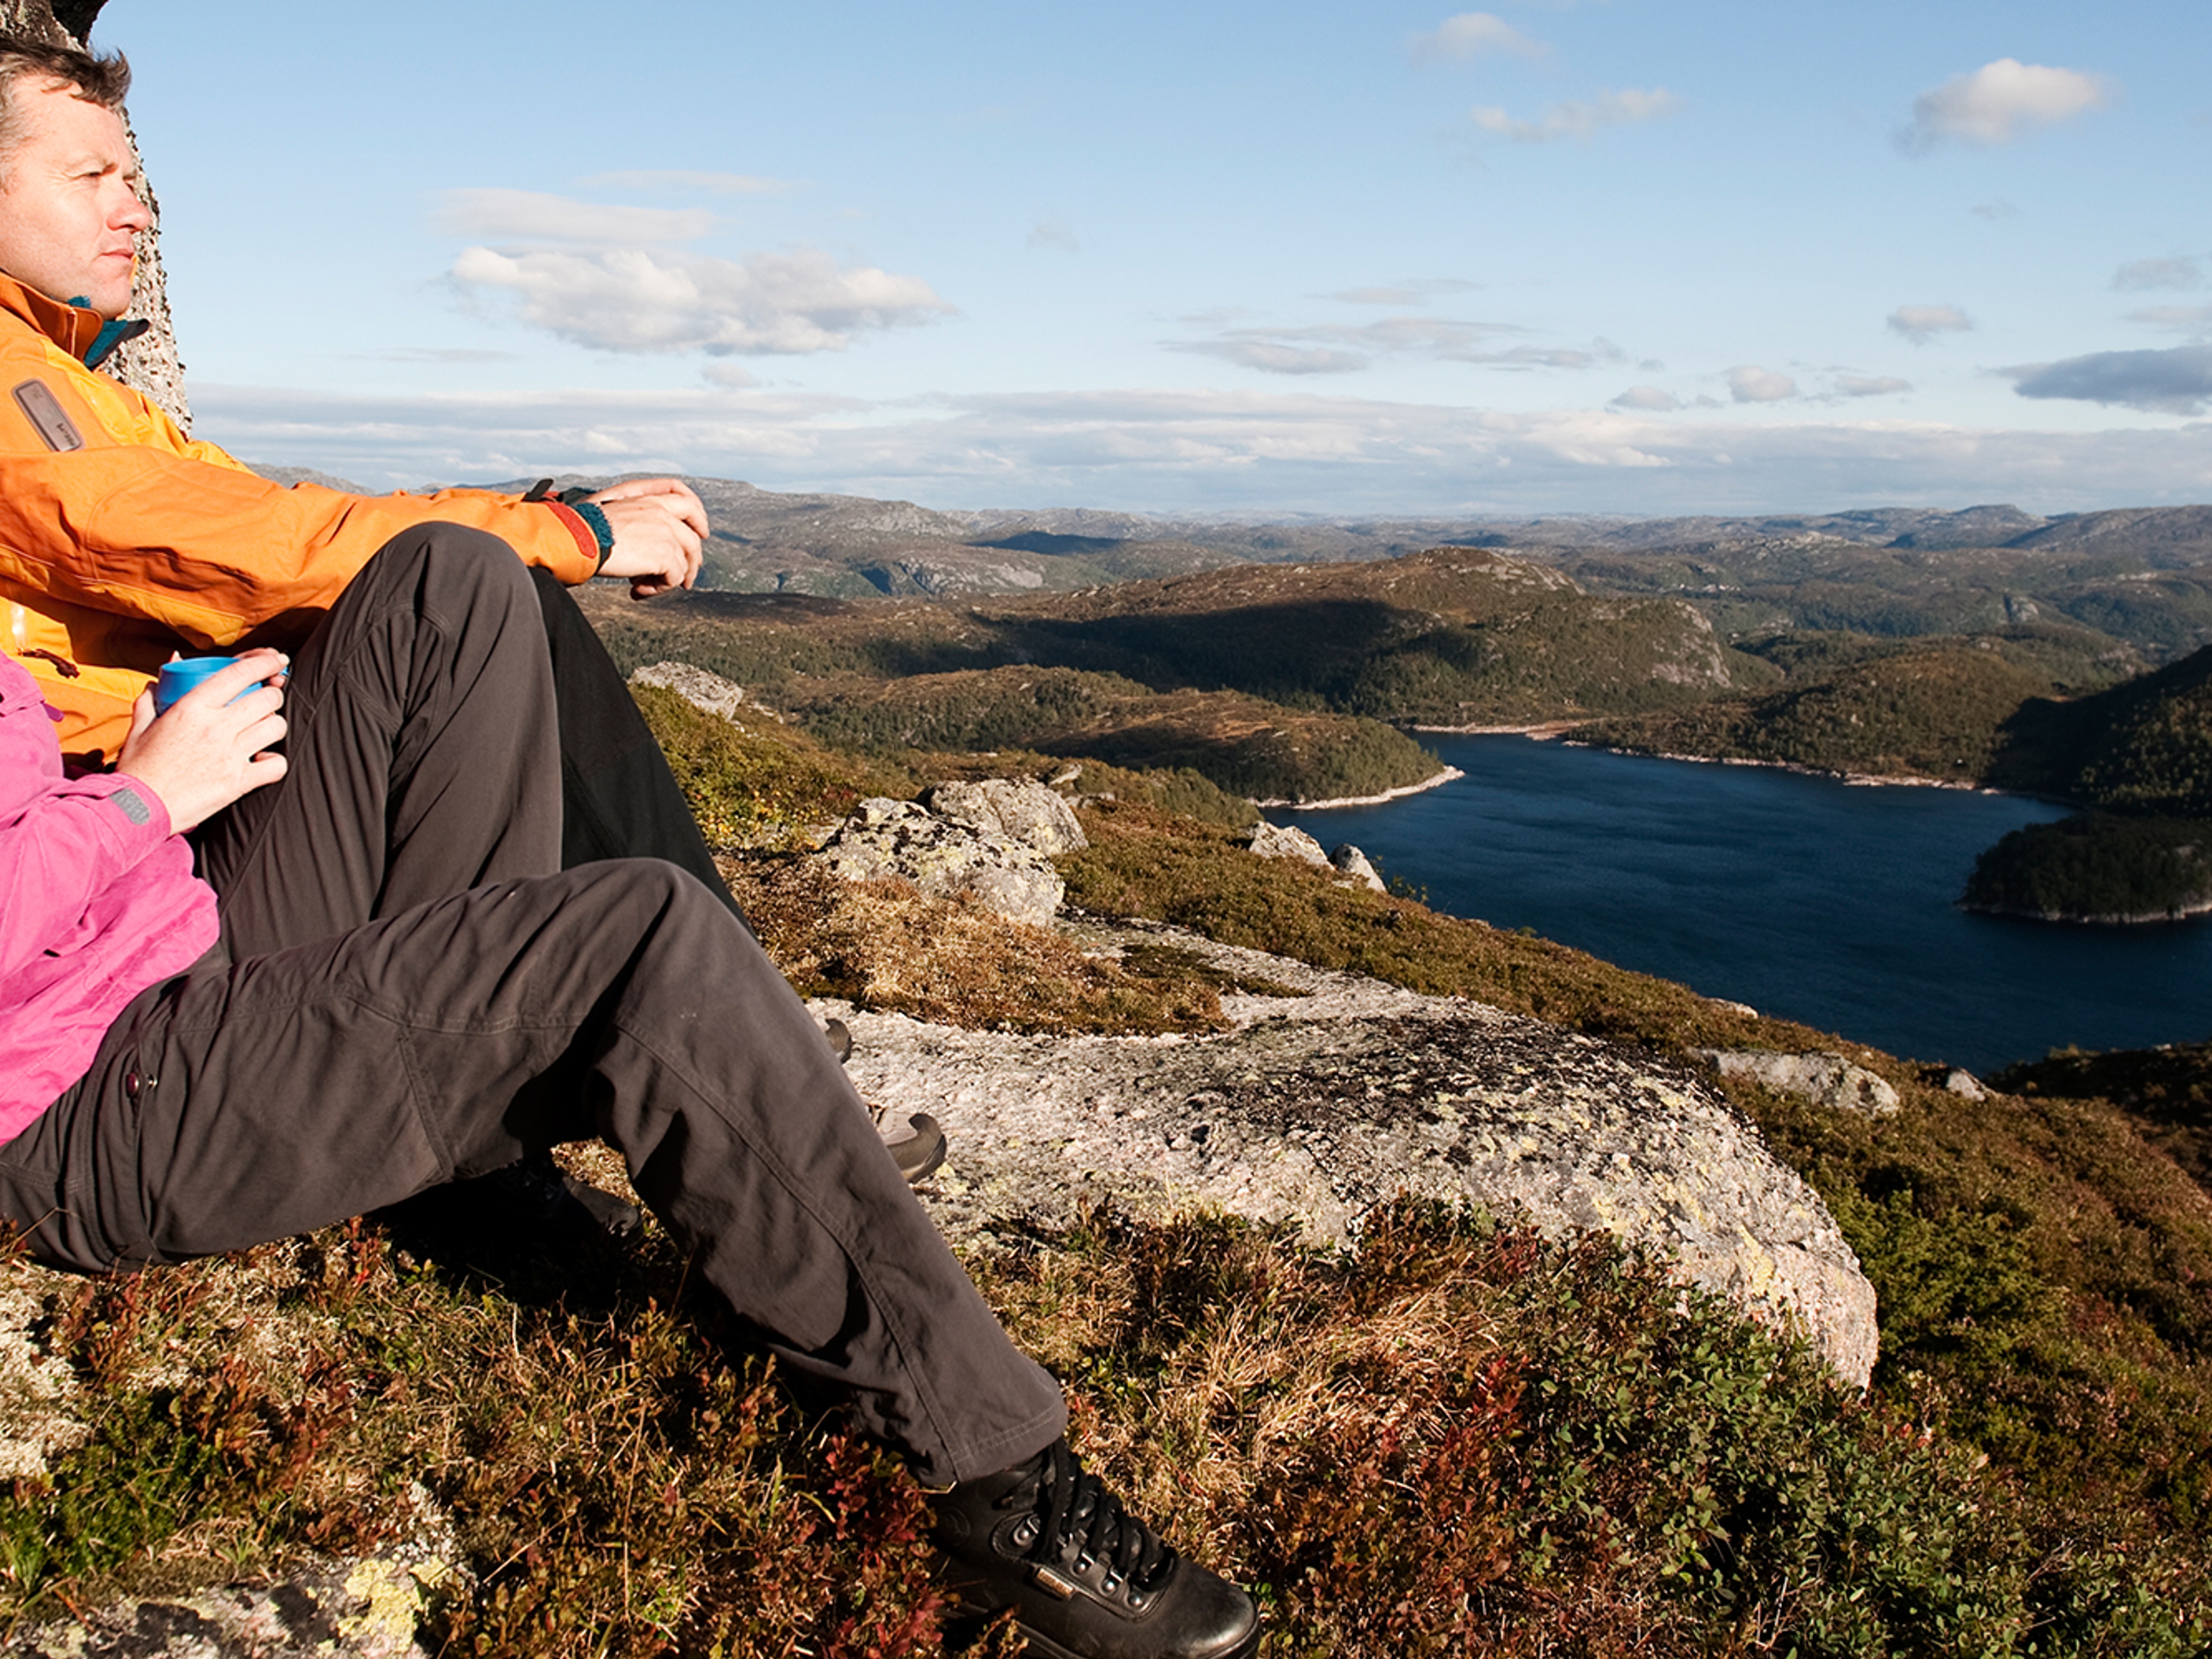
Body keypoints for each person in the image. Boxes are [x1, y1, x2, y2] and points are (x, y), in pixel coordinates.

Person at [0, 519, 1262, 1659]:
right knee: (638, 935)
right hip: (88, 1085)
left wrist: (119, 805)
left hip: (148, 929)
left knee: (450, 583)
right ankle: (984, 1477)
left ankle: (470, 1164)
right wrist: (141, 800)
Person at [0, 34, 946, 1192]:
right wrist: (571, 536)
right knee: (464, 589)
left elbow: (255, 516)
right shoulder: (14, 389)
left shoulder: (72, 381)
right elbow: (240, 549)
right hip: (125, 862)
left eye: (133, 180)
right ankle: (536, 1075)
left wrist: (529, 523)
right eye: (90, 178)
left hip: (171, 811)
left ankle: (725, 1022)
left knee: (489, 595)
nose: (132, 211)